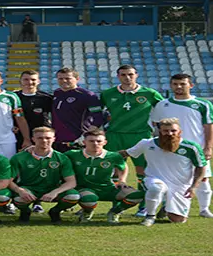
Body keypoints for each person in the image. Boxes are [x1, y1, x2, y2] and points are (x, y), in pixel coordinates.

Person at [99, 65, 164, 217]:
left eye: (130, 74)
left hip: (140, 136)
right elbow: (95, 113)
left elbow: (164, 110)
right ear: (118, 76)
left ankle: (143, 207)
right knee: (114, 171)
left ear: (136, 75)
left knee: (143, 172)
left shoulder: (149, 93)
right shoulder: (108, 94)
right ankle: (116, 205)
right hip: (114, 135)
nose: (127, 78)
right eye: (123, 75)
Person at [120, 118, 207, 226]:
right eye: (165, 131)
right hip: (154, 179)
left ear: (180, 131)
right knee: (157, 188)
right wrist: (101, 153)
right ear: (160, 131)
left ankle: (166, 206)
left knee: (178, 219)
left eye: (173, 131)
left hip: (180, 185)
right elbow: (125, 153)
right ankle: (150, 217)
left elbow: (201, 167)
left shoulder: (191, 147)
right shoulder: (147, 143)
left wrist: (194, 187)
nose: (170, 134)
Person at [150, 73, 213, 218]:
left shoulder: (203, 104)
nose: (178, 87)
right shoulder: (162, 104)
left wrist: (209, 146)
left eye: (182, 84)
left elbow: (209, 127)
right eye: (175, 84)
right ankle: (167, 207)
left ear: (190, 85)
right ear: (171, 85)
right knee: (169, 178)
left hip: (196, 147)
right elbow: (156, 126)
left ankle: (204, 209)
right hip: (170, 149)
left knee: (203, 177)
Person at [64, 128, 144, 223]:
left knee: (137, 195)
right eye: (91, 141)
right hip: (85, 188)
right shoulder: (73, 154)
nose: (95, 143)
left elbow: (123, 167)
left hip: (108, 188)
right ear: (84, 142)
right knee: (89, 199)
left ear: (105, 142)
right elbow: (59, 163)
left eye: (99, 141)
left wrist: (122, 180)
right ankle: (87, 212)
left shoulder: (113, 156)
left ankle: (114, 212)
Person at [9, 127, 80, 224]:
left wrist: (55, 192)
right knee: (19, 199)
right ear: (33, 139)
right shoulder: (19, 157)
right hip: (29, 189)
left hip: (52, 189)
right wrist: (20, 191)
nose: (44, 141)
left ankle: (55, 212)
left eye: (48, 138)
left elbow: (71, 182)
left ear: (54, 139)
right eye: (40, 138)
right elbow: (8, 180)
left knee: (73, 196)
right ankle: (25, 212)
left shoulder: (62, 158)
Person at [14, 70, 54, 214]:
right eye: (26, 79)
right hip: (18, 138)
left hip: (41, 139)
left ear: (38, 81)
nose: (29, 82)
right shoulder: (14, 97)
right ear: (21, 81)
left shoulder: (46, 98)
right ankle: (15, 199)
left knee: (38, 169)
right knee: (18, 169)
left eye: (33, 80)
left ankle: (37, 202)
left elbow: (55, 117)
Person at [52, 67, 104, 152]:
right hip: (56, 140)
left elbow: (97, 117)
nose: (64, 81)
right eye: (60, 78)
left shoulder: (87, 95)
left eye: (68, 78)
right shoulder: (57, 93)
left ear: (77, 79)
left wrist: (86, 135)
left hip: (76, 140)